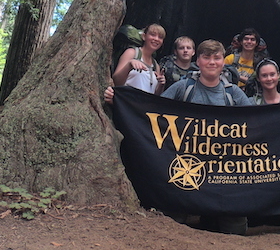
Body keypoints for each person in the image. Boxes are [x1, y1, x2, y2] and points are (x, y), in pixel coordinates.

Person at [105, 39, 251, 234]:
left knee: (235, 226)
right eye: (206, 57)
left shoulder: (233, 93)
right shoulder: (184, 87)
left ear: (223, 62)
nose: (212, 62)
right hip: (186, 166)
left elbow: (255, 122)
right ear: (197, 61)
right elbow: (152, 111)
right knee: (174, 221)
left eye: (217, 58)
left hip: (222, 168)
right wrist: (120, 100)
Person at [111, 23, 166, 95]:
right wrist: (129, 65)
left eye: (160, 37)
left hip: (144, 105)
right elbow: (116, 81)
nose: (156, 39)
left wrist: (161, 85)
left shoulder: (156, 65)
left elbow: (155, 95)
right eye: (152, 35)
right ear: (144, 36)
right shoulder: (132, 53)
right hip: (127, 101)